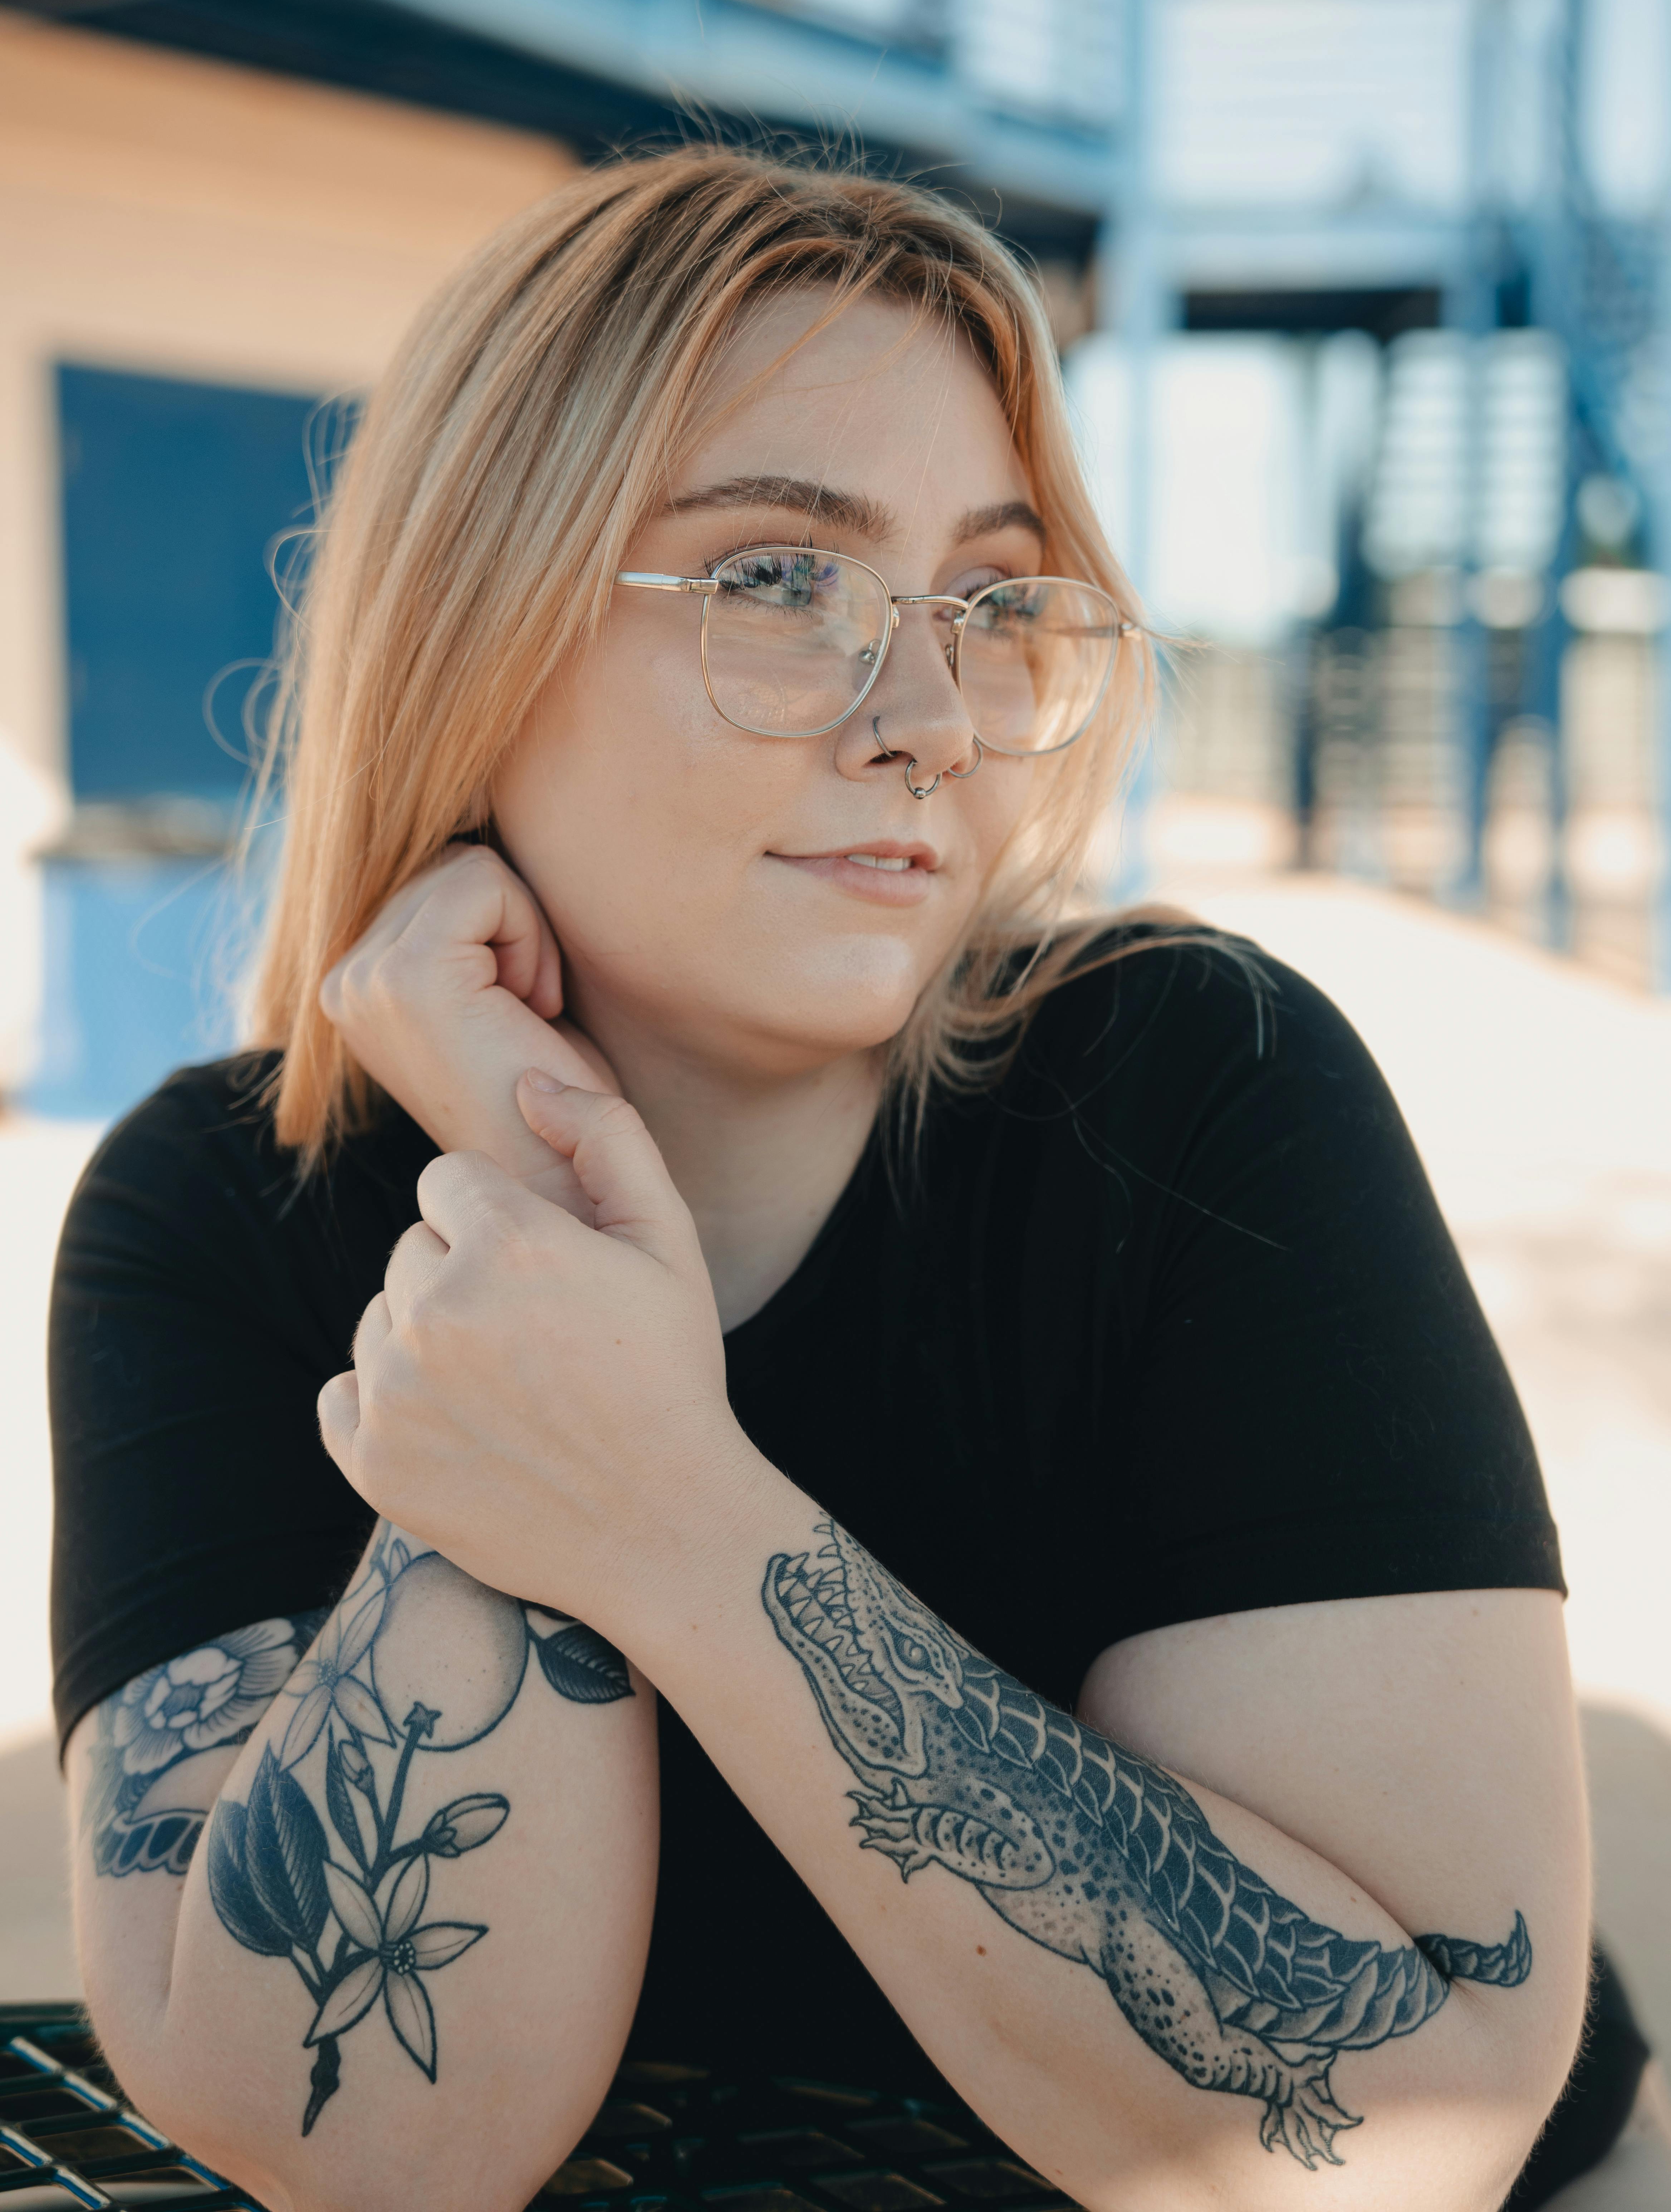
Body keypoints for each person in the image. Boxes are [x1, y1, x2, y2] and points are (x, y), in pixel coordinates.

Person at [48, 151, 1638, 2212]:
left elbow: (1374, 2152)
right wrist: (531, 1208)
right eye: (778, 581)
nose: (925, 720)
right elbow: (368, 2145)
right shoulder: (215, 1211)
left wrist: (670, 1519)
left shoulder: (1187, 1089)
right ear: (475, 631)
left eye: (987, 599)